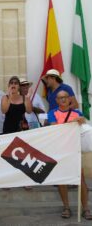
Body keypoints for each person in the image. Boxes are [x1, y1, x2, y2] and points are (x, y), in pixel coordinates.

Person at [47, 90, 92, 220]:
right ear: (56, 100)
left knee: (81, 179)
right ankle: (66, 207)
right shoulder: (52, 113)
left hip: (75, 149)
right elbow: (55, 128)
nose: (63, 100)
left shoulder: (77, 112)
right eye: (60, 98)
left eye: (65, 97)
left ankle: (86, 208)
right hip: (60, 150)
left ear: (69, 99)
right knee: (62, 180)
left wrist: (81, 120)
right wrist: (72, 123)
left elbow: (83, 125)